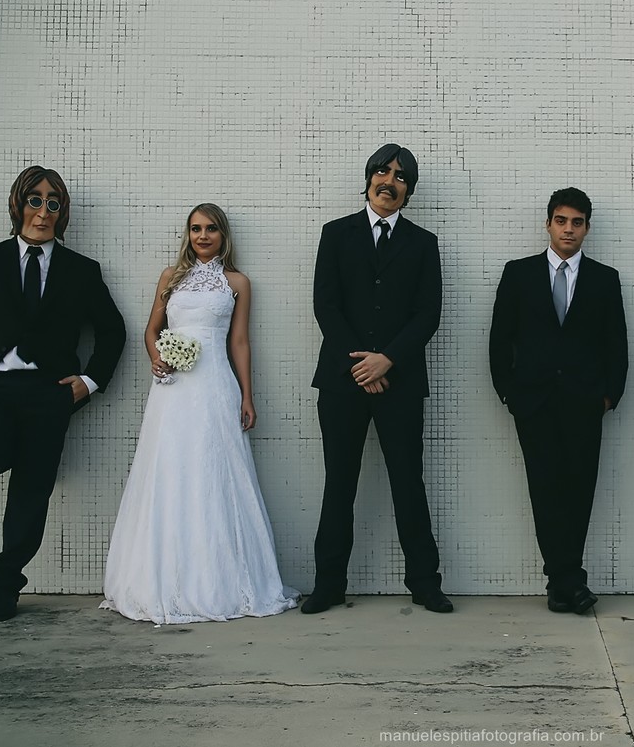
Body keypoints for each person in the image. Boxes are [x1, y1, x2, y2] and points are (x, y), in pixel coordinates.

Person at [100, 204, 298, 623]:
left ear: (223, 235)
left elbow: (239, 342)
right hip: (172, 390)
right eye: (195, 229)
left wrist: (247, 396)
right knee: (169, 469)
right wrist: (157, 358)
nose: (203, 236)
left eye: (210, 229)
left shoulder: (237, 282)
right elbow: (151, 330)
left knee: (214, 471)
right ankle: (161, 577)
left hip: (215, 387)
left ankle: (221, 580)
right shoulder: (170, 277)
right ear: (187, 234)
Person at [0, 165, 127, 622]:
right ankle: (20, 446)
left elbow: (111, 330)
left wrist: (88, 382)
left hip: (50, 393)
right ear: (18, 204)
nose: (43, 212)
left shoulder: (82, 270)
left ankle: (4, 587)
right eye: (35, 200)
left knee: (31, 492)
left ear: (62, 212)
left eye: (53, 203)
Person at [302, 143, 451, 615]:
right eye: (383, 172)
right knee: (339, 484)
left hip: (400, 382)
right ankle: (328, 584)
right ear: (369, 178)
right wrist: (360, 366)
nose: (390, 181)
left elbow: (428, 313)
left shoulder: (423, 243)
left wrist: (387, 360)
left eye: (401, 176)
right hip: (342, 382)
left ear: (409, 190)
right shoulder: (336, 234)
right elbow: (326, 305)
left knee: (409, 483)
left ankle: (425, 583)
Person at [489, 187, 628, 614]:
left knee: (579, 490)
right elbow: (500, 337)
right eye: (562, 221)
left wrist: (609, 396)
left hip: (585, 402)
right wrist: (509, 392)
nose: (569, 229)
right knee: (545, 490)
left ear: (587, 228)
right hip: (534, 402)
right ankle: (570, 581)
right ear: (548, 224)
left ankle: (562, 584)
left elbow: (616, 343)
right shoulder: (518, 273)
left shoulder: (604, 278)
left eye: (577, 222)